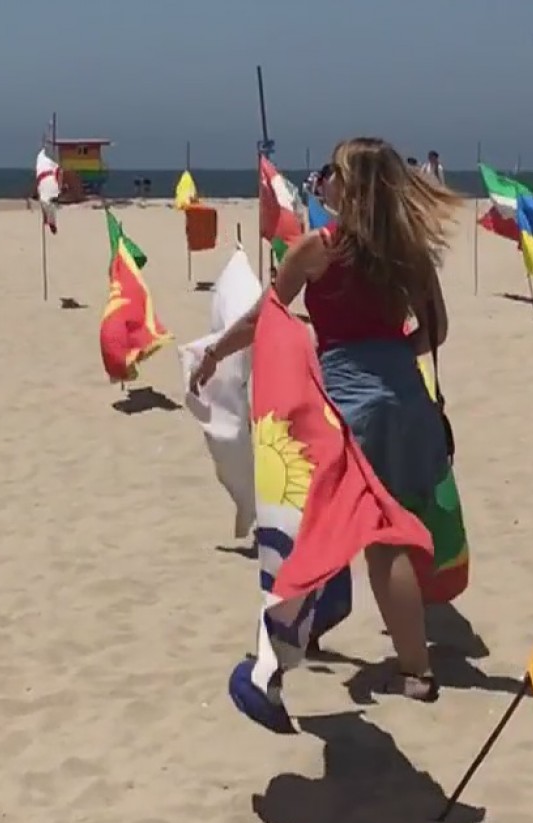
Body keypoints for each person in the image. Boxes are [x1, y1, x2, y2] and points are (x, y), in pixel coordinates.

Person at [191, 137, 462, 701]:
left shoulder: (319, 247)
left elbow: (265, 318)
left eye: (331, 172)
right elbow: (433, 333)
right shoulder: (407, 250)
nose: (323, 181)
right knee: (386, 533)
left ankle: (293, 649)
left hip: (349, 404)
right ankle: (411, 667)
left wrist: (214, 352)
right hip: (406, 402)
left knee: (318, 527)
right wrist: (388, 356)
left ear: (351, 185)